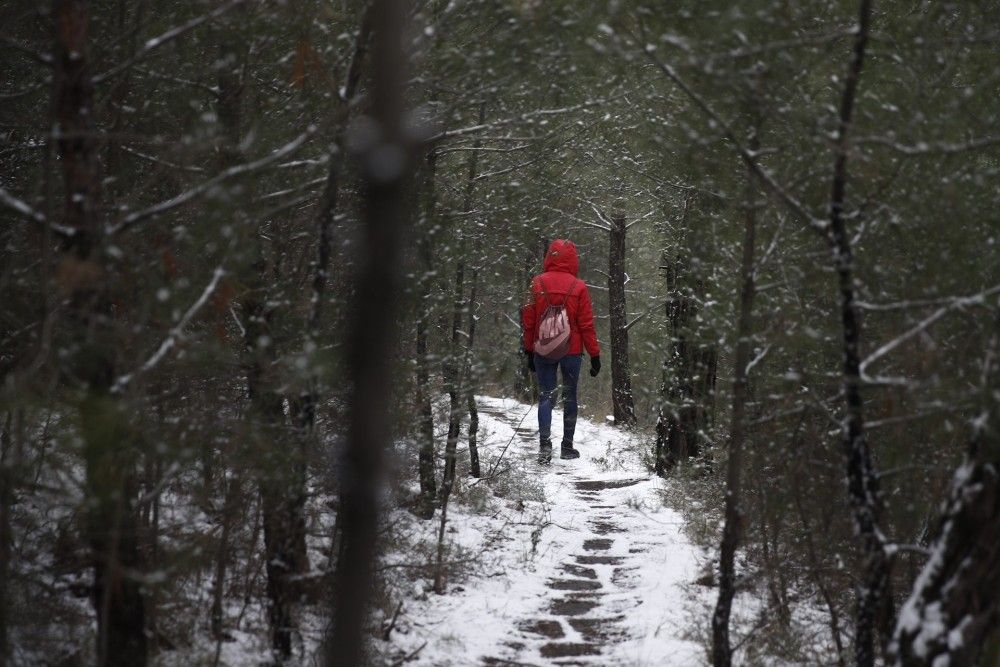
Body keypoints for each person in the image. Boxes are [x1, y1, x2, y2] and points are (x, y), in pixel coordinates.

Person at [522, 239, 601, 462]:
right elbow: (586, 325)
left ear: (550, 257)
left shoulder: (536, 283)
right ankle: (567, 447)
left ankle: (544, 446)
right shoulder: (579, 287)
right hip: (572, 351)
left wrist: (529, 350)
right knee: (570, 396)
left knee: (546, 396)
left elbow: (528, 321)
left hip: (543, 348)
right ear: (572, 259)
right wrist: (595, 355)